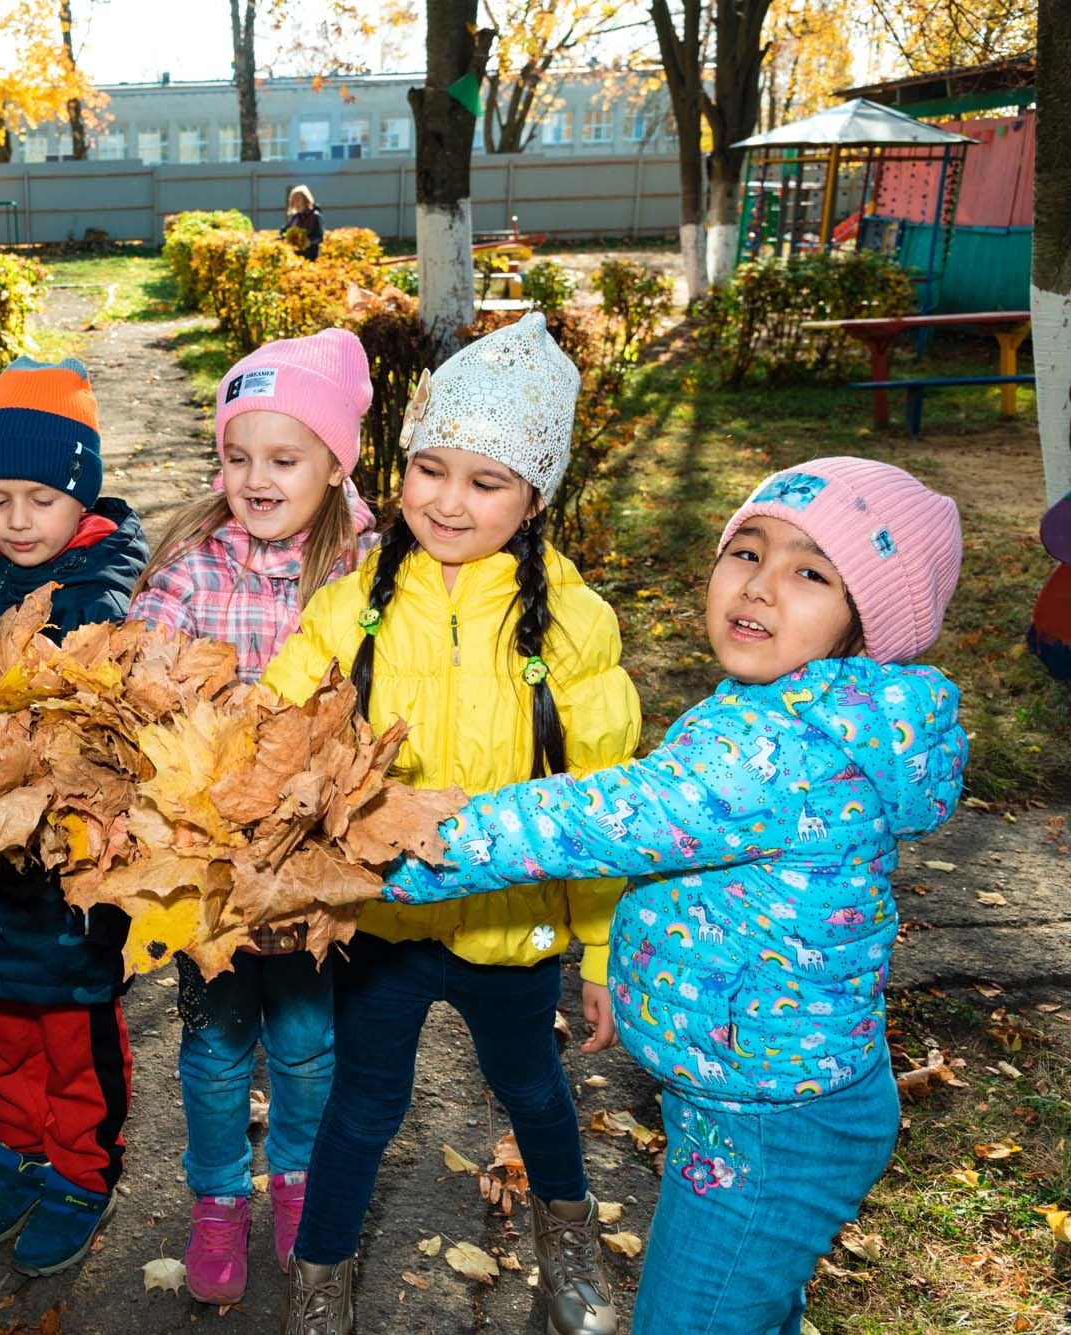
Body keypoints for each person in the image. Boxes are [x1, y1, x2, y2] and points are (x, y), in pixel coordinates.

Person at [384, 457, 966, 1335]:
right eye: (747, 551)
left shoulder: (784, 753)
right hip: (752, 1087)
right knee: (746, 1306)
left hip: (770, 1124)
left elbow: (588, 821)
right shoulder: (779, 707)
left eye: (810, 572)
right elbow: (681, 867)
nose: (761, 586)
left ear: (866, 618)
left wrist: (397, 847)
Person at [262, 313, 641, 1335]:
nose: (449, 501)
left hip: (507, 927)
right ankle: (321, 1277)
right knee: (361, 1105)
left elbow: (604, 812)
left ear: (534, 496)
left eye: (486, 481)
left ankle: (566, 1237)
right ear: (399, 472)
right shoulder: (349, 614)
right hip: (380, 926)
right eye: (430, 470)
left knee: (531, 1087)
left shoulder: (571, 629)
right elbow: (271, 740)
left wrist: (601, 951)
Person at [126, 328, 379, 1306]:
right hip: (213, 857)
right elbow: (145, 659)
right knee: (216, 1036)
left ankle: (297, 1177)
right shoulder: (197, 557)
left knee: (309, 1038)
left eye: (283, 458)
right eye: (237, 456)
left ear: (332, 462)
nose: (255, 478)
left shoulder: (365, 563)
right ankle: (216, 1197)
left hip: (313, 857)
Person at [0, 356, 149, 1277]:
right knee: (4, 1029)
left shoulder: (103, 592)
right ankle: (18, 1153)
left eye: (40, 498)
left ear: (80, 494)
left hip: (69, 879)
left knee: (72, 1033)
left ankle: (83, 1171)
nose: (17, 521)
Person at [285, 186, 324, 260]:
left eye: (298, 200)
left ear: (306, 200)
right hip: (295, 257)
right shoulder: (295, 217)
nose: (296, 203)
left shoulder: (314, 216)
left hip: (310, 257)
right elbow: (285, 230)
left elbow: (319, 237)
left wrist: (306, 241)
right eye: (294, 200)